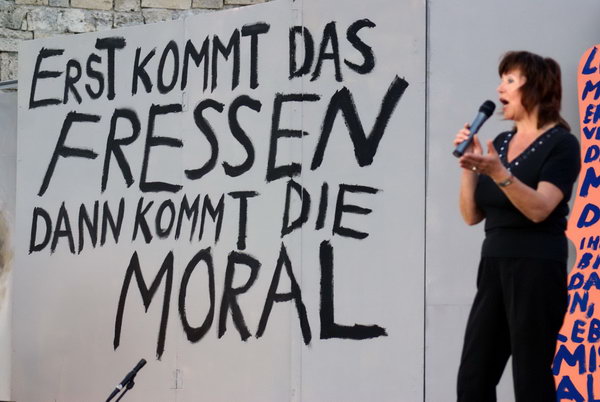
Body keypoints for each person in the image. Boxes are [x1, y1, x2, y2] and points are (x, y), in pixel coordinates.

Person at [453, 51, 581, 402]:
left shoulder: (562, 144)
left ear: (536, 87)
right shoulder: (500, 144)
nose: (500, 88)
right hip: (494, 265)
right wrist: (469, 167)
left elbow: (540, 209)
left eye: (510, 80)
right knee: (474, 378)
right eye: (502, 80)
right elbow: (471, 216)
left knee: (531, 378)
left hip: (537, 267)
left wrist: (498, 172)